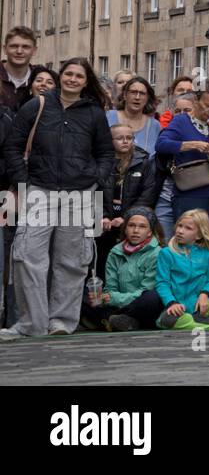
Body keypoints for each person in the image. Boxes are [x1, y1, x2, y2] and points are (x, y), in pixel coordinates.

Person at [1, 58, 113, 340]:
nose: (73, 79)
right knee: (28, 256)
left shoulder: (93, 113)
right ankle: (31, 323)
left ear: (86, 82)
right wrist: (24, 182)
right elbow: (13, 146)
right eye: (68, 74)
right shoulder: (37, 105)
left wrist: (95, 177)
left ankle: (61, 321)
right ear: (60, 76)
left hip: (79, 193)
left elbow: (106, 153)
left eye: (79, 76)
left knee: (72, 260)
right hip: (40, 189)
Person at [80, 207, 165, 332]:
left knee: (153, 298)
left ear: (150, 232)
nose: (136, 230)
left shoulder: (157, 253)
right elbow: (111, 288)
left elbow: (146, 290)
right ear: (125, 229)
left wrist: (113, 298)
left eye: (142, 227)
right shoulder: (115, 252)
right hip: (118, 305)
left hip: (140, 303)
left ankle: (111, 320)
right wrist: (103, 298)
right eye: (131, 225)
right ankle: (122, 321)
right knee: (83, 297)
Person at [156, 83, 209, 233]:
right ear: (196, 101)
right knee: (185, 242)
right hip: (187, 193)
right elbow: (161, 144)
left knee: (208, 244)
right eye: (207, 105)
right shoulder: (181, 121)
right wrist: (189, 145)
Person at [96, 124, 162, 279]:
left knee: (127, 262)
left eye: (129, 138)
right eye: (119, 138)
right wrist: (102, 215)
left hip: (130, 220)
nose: (125, 141)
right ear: (110, 140)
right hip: (103, 221)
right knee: (101, 260)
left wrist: (127, 218)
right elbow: (95, 189)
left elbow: (148, 194)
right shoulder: (102, 161)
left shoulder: (143, 162)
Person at [107, 77, 163, 164]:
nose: (137, 97)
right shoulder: (108, 117)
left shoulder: (155, 125)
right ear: (125, 95)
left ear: (147, 98)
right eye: (133, 92)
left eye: (142, 93)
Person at [0, 26, 38, 113]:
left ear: (34, 50)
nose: (19, 51)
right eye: (14, 46)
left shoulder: (41, 79)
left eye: (25, 47)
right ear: (5, 49)